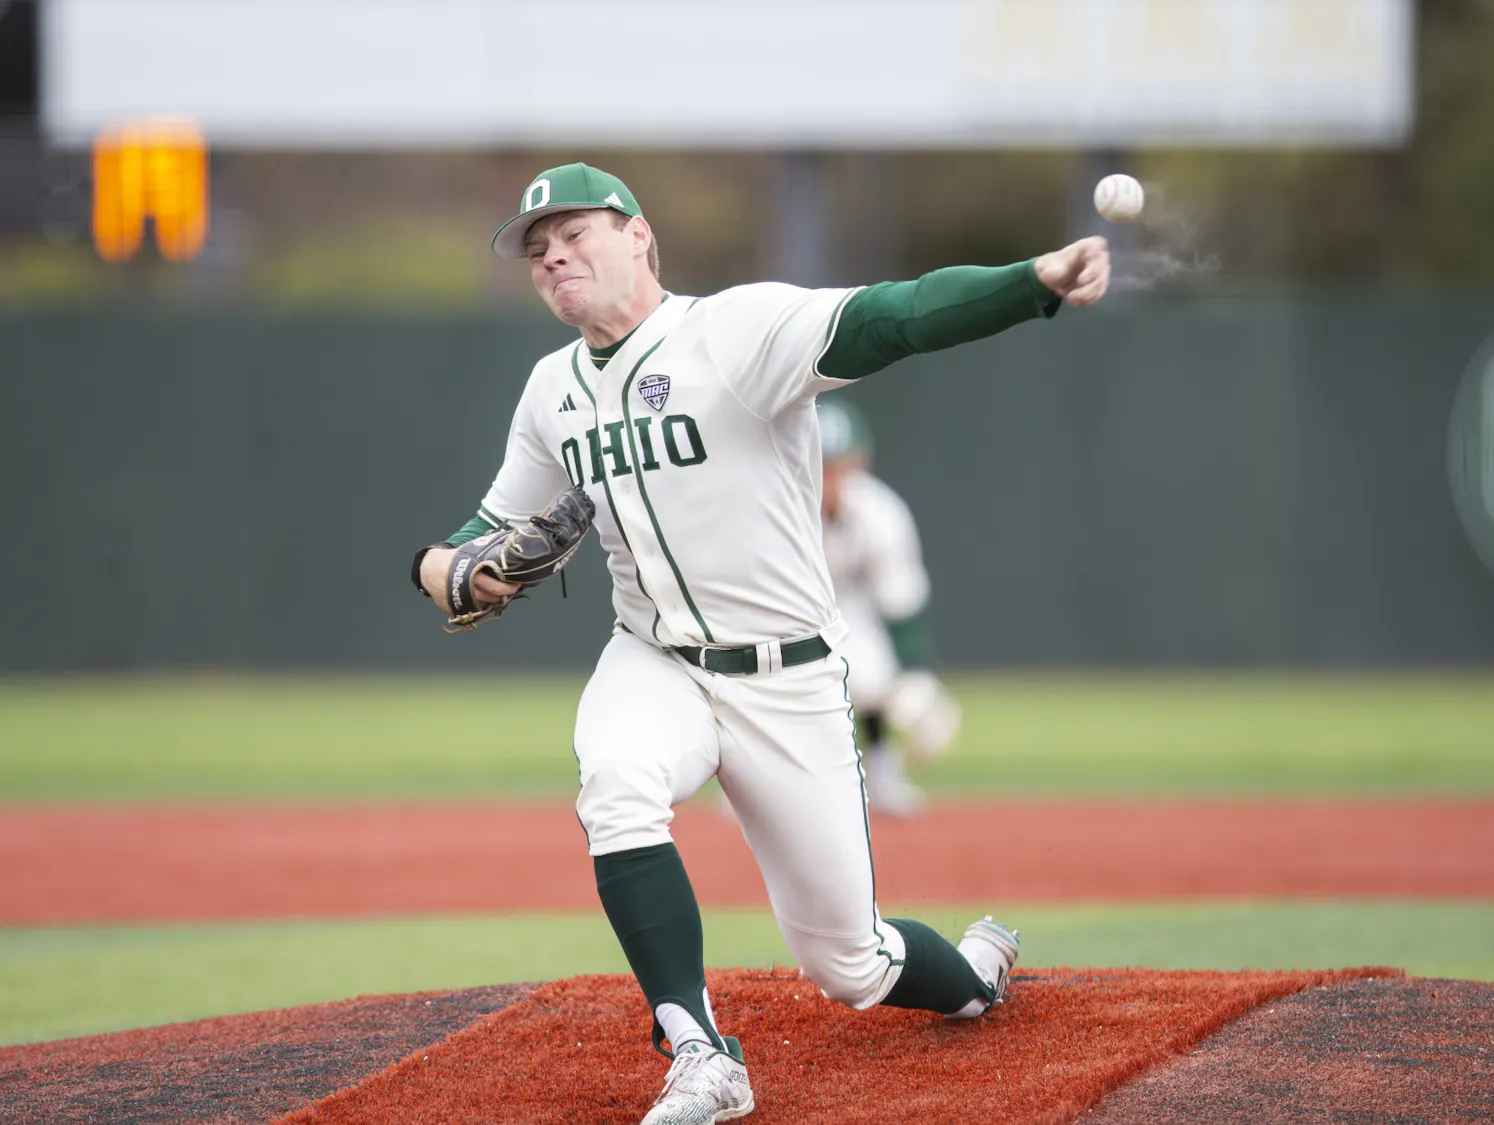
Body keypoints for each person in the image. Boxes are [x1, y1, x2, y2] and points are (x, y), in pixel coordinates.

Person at [412, 163, 1109, 1125]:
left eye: (574, 233)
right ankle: (700, 1052)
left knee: (850, 964)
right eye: (537, 249)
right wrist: (446, 571)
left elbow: (893, 315)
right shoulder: (551, 391)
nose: (554, 256)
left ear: (640, 235)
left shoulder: (732, 333)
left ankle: (974, 976)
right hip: (652, 656)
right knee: (616, 782)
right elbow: (480, 530)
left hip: (788, 677)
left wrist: (1031, 281)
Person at [817, 396, 960, 817]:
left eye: (838, 464)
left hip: (843, 609)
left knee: (871, 670)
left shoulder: (880, 512)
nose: (830, 477)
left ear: (861, 462)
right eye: (820, 465)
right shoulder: (774, 505)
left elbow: (901, 601)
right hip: (774, 614)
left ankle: (880, 770)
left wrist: (918, 677)